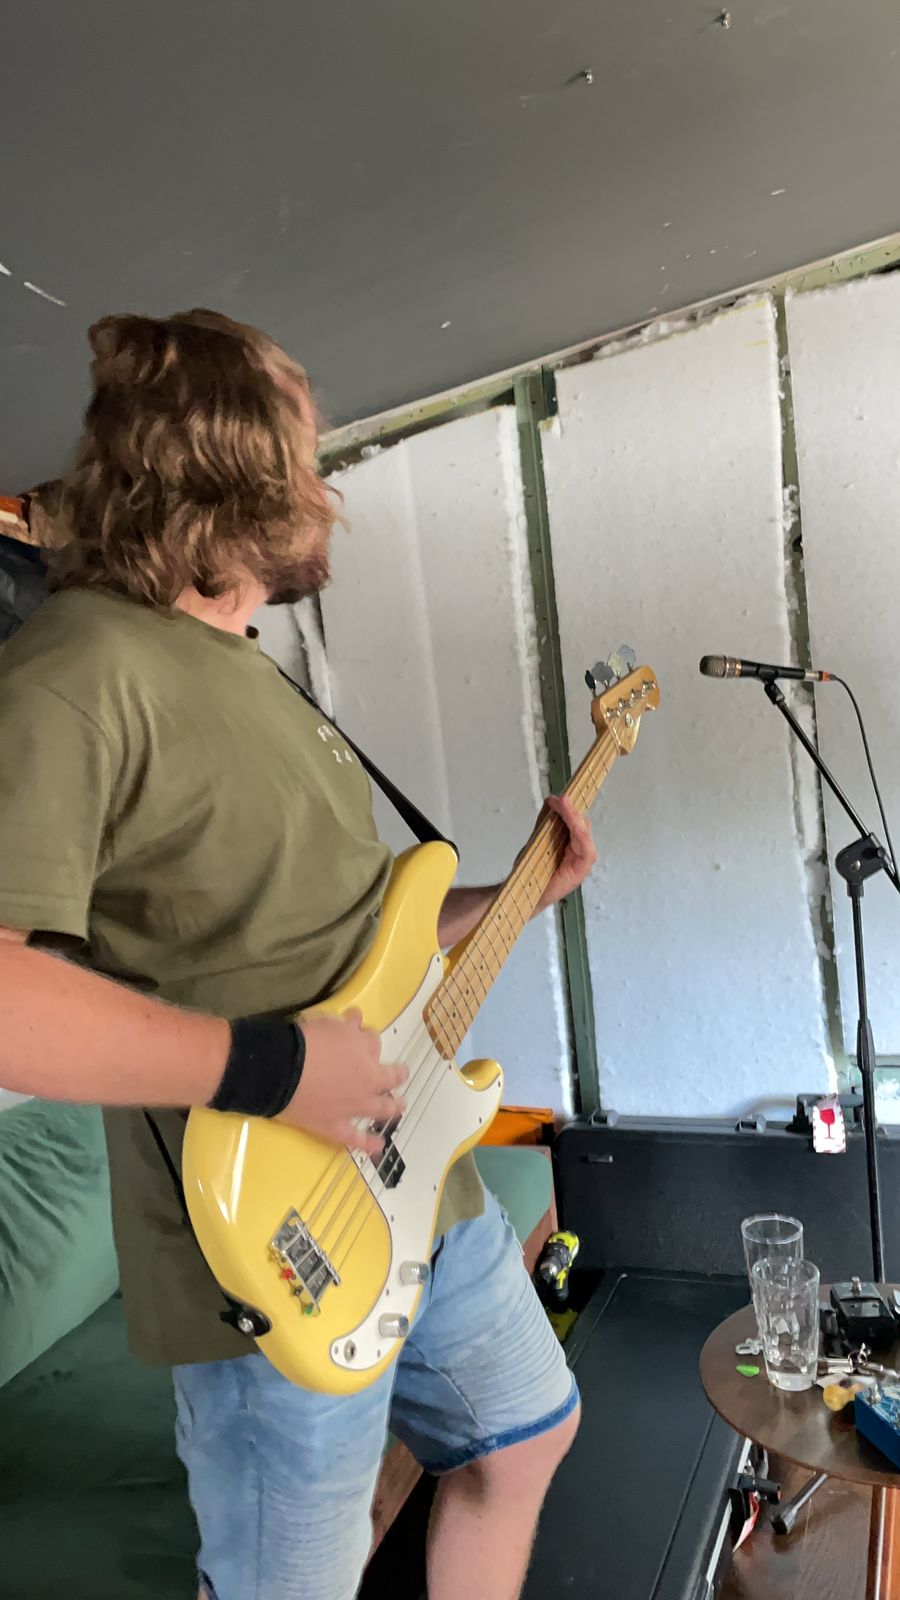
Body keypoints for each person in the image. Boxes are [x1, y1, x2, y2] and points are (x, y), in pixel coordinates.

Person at [0, 310, 596, 1600]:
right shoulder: (74, 668)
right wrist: (275, 1071)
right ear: (234, 477)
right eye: (306, 459)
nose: (325, 490)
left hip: (417, 1176)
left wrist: (509, 897)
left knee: (525, 1431)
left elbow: (337, 937)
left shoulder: (247, 668)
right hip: (267, 1242)